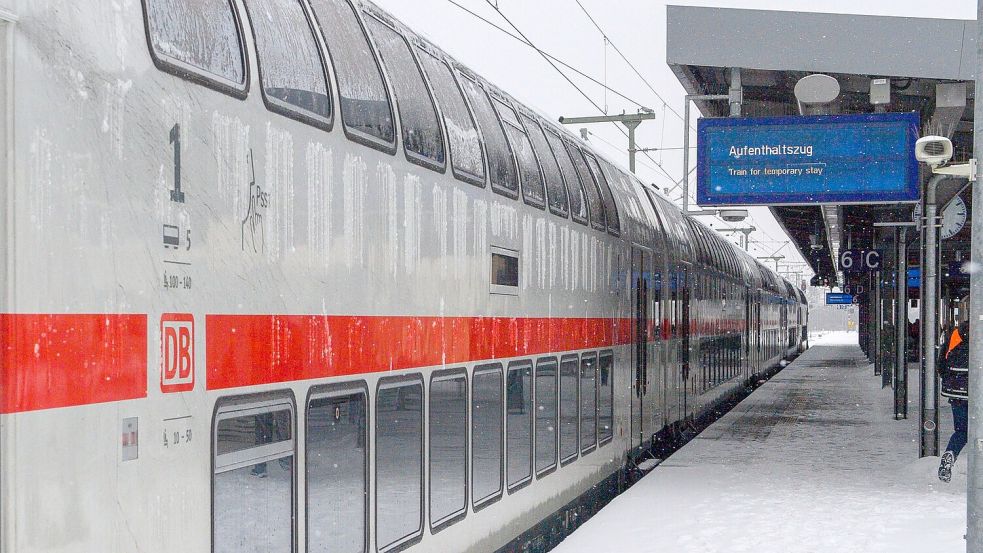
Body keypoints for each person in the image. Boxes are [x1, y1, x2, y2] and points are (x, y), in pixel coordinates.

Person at [938, 316, 969, 483]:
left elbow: (941, 364)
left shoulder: (954, 335)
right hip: (978, 391)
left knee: (962, 431)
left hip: (957, 391)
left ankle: (951, 453)